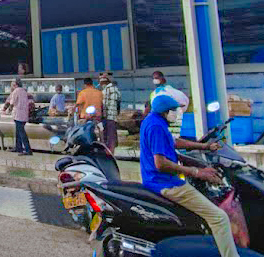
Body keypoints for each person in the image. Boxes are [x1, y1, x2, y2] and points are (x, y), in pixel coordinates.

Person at [141, 95, 234, 257]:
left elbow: (174, 142)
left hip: (155, 180)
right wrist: (196, 172)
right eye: (174, 110)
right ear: (165, 112)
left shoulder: (153, 121)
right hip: (165, 183)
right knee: (219, 217)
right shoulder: (156, 127)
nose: (176, 114)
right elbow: (160, 164)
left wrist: (205, 146)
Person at [2, 79, 32, 155]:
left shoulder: (16, 91)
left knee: (21, 133)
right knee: (18, 132)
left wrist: (7, 111)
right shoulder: (24, 91)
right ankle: (18, 147)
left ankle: (28, 150)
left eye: (12, 84)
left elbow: (12, 103)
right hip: (24, 114)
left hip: (18, 115)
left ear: (15, 85)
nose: (11, 86)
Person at [100, 73, 121, 152]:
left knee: (109, 136)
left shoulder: (107, 90)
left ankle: (109, 152)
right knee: (111, 135)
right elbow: (118, 103)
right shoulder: (116, 89)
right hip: (113, 116)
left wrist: (102, 115)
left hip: (108, 116)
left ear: (104, 82)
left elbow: (104, 104)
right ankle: (111, 151)